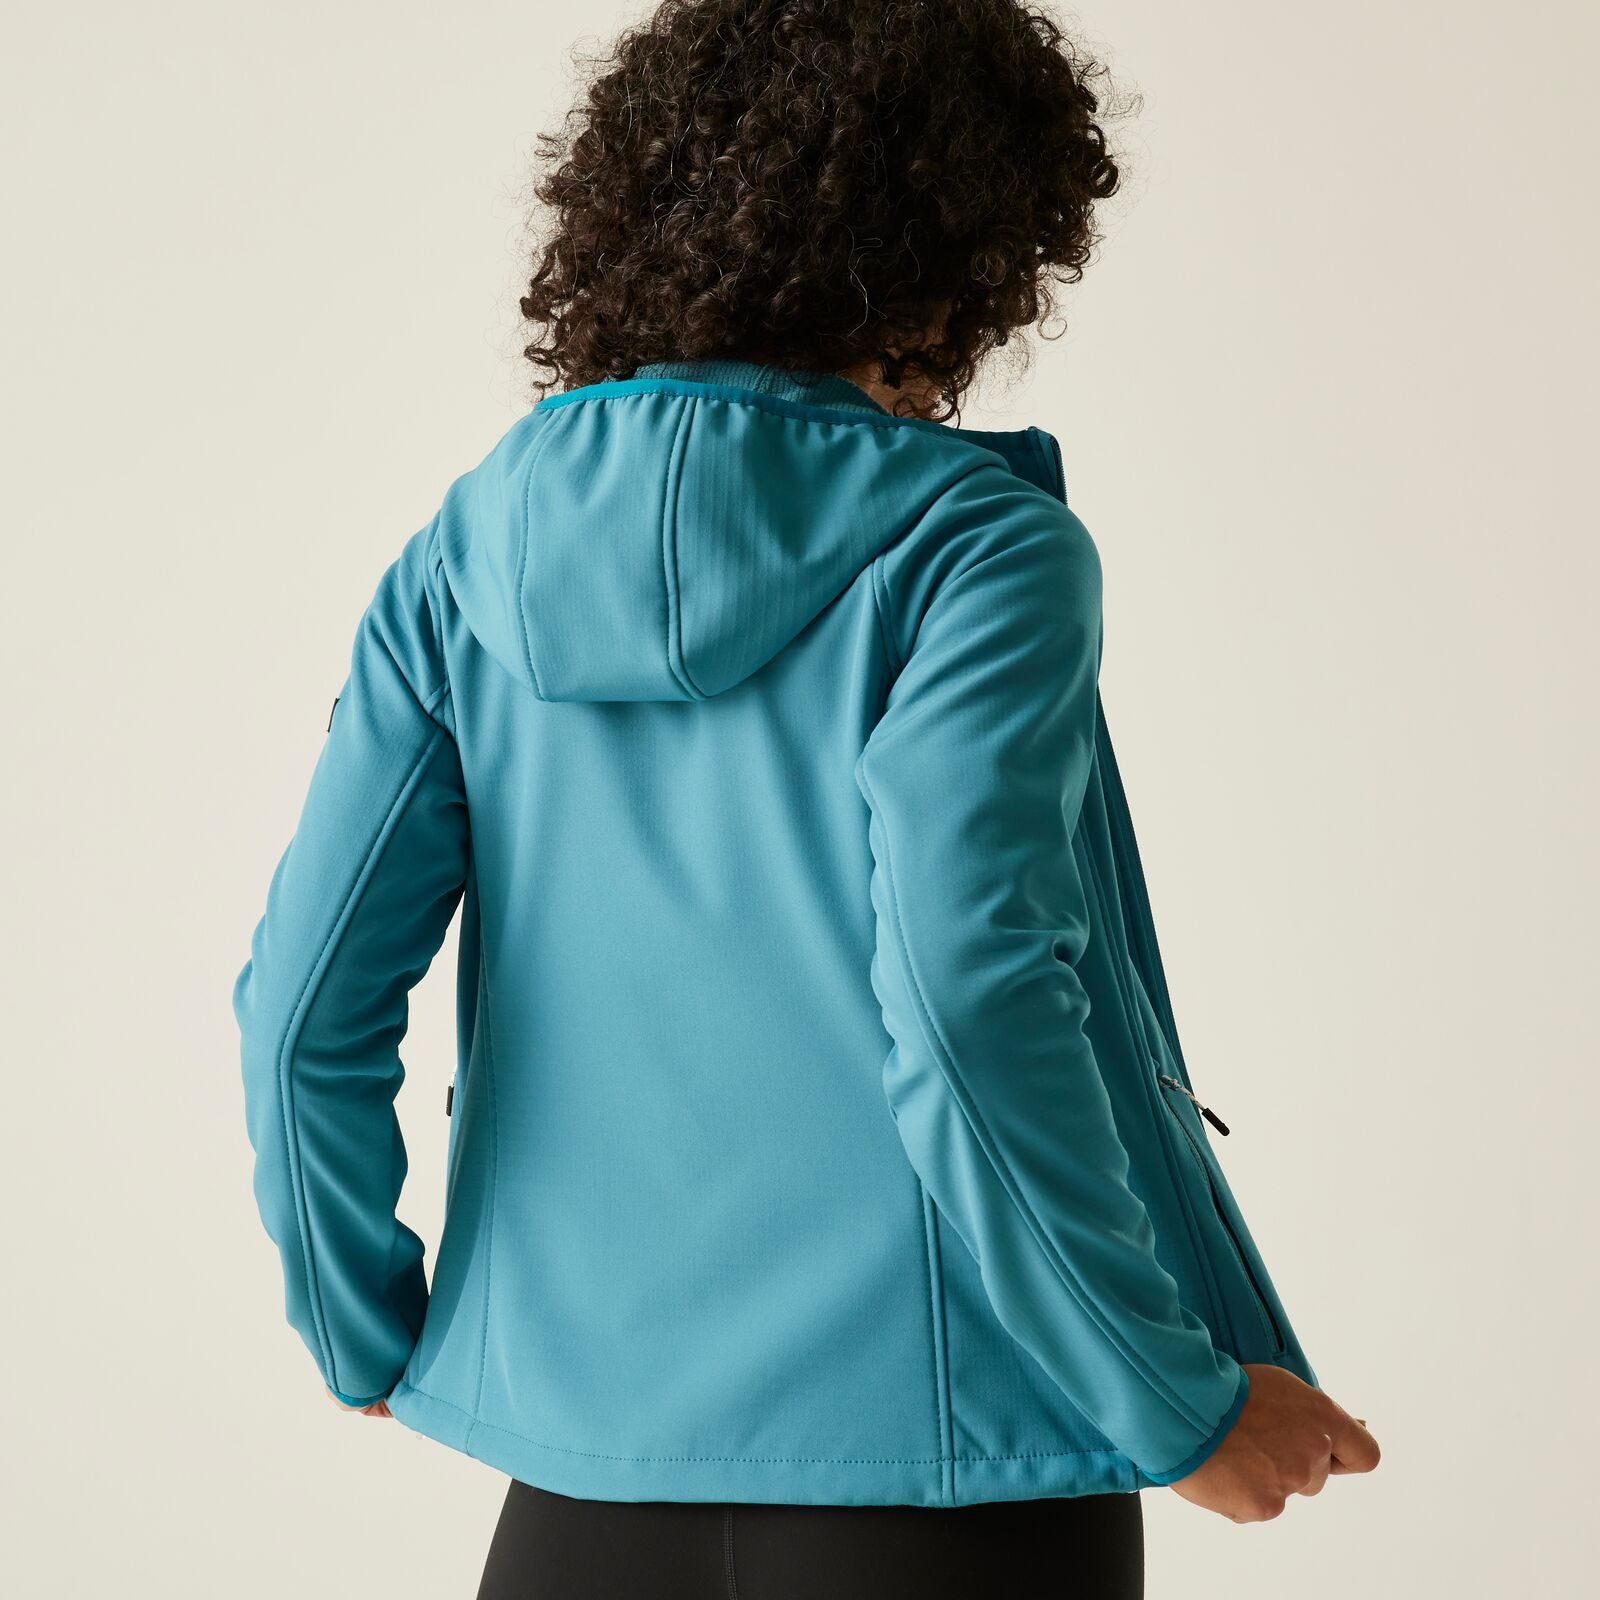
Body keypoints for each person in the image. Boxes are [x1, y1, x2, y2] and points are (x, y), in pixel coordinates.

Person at [233, 2, 1379, 1594]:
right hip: (959, 1479)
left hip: (573, 1505)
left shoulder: (460, 563)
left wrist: (362, 1325)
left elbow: (300, 1012)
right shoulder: (972, 552)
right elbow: (968, 1001)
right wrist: (1172, 1404)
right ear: (969, 247)